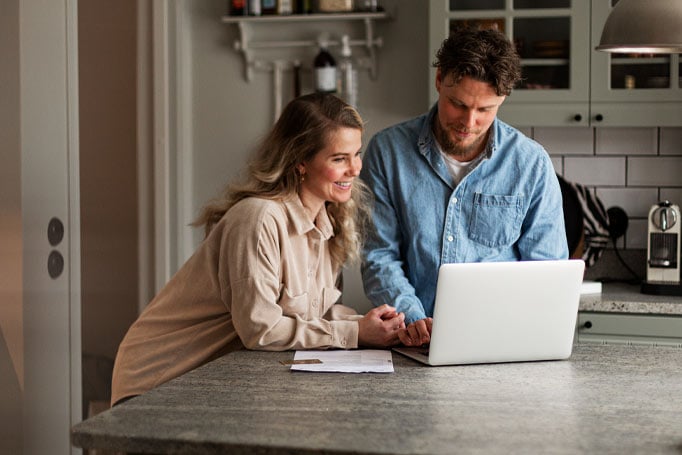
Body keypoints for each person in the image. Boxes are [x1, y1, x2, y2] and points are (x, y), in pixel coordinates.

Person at [111, 93, 405, 406]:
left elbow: (315, 313)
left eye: (356, 154)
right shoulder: (258, 219)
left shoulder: (326, 223)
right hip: (156, 384)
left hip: (210, 384)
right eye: (339, 158)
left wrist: (380, 327)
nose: (355, 169)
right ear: (301, 162)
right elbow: (261, 330)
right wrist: (355, 333)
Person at [360, 27, 568, 348]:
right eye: (457, 104)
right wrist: (414, 320)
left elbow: (547, 272)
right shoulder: (387, 152)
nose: (468, 123)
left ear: (503, 99)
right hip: (412, 343)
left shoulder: (531, 164)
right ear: (439, 79)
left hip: (502, 341)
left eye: (485, 109)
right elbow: (379, 254)